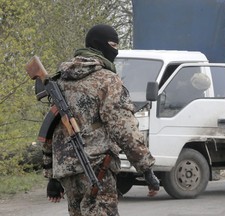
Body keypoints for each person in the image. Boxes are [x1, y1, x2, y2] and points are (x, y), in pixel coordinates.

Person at [42, 24, 160, 216]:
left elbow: (50, 129)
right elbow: (123, 128)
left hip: (69, 171)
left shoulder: (62, 79)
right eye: (113, 44)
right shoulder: (107, 80)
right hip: (97, 168)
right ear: (98, 45)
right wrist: (146, 168)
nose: (116, 50)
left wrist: (51, 175)